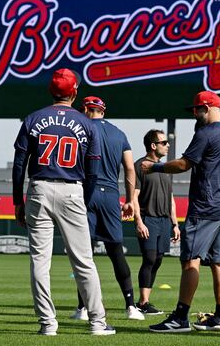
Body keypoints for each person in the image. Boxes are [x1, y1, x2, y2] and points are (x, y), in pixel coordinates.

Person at [145, 91, 220, 333]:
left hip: (205, 207)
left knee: (190, 261)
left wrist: (154, 166)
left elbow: (184, 164)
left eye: (196, 110)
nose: (194, 115)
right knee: (219, 263)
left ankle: (180, 318)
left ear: (206, 108)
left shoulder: (205, 133)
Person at [12, 68, 115, 336]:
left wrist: (17, 201)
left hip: (39, 188)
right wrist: (86, 198)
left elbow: (19, 164)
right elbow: (93, 170)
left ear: (51, 91)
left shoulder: (34, 118)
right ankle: (96, 322)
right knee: (83, 261)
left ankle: (48, 323)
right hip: (72, 190)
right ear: (75, 92)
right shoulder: (86, 124)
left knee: (39, 261)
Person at [70, 96, 144, 321]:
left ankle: (83, 308)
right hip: (111, 195)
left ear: (85, 109)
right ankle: (131, 306)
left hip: (86, 192)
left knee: (85, 254)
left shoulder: (80, 129)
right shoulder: (119, 134)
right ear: (103, 111)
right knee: (116, 251)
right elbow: (130, 169)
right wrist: (130, 200)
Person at [133, 129, 181, 316]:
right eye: (164, 143)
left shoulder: (164, 167)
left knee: (158, 259)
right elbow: (134, 196)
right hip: (148, 219)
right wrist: (138, 221)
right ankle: (142, 302)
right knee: (150, 258)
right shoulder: (140, 165)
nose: (167, 145)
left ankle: (144, 301)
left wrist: (175, 224)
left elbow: (170, 199)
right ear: (153, 146)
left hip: (164, 222)